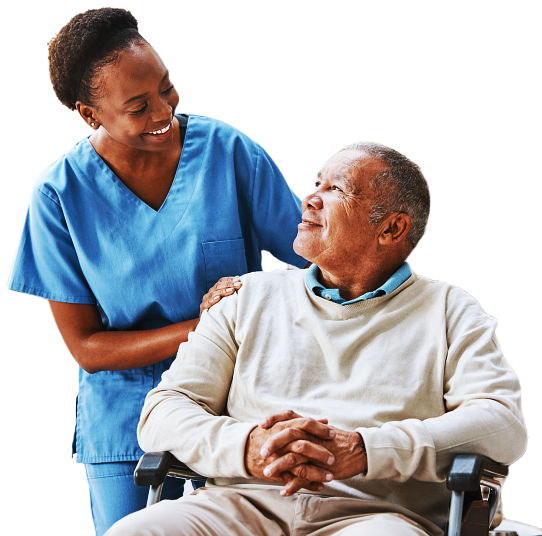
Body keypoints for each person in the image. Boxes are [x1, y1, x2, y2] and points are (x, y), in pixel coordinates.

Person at [105, 141, 527, 536]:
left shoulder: (450, 310)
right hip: (240, 503)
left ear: (392, 229)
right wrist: (247, 445)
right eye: (315, 184)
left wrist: (366, 449)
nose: (310, 199)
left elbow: (503, 424)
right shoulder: (244, 297)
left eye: (337, 189)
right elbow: (162, 412)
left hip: (376, 516)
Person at [6, 7, 308, 536]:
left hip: (239, 405)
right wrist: (208, 327)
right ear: (89, 114)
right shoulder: (58, 196)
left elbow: (320, 262)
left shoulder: (227, 152)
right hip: (127, 418)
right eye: (138, 106)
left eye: (168, 88)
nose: (164, 110)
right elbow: (87, 348)